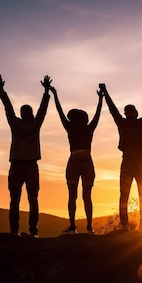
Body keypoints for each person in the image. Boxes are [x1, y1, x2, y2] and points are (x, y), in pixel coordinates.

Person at [0, 73, 51, 237]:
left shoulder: (15, 123)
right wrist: (46, 92)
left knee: (15, 200)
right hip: (30, 165)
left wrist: (1, 89)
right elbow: (43, 110)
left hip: (17, 165)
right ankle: (33, 231)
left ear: (21, 113)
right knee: (33, 199)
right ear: (31, 113)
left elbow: (8, 108)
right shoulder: (35, 123)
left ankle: (14, 231)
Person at [98, 82, 142, 230]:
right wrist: (105, 92)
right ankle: (126, 224)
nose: (130, 113)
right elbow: (113, 109)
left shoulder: (136, 122)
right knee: (126, 194)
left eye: (131, 111)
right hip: (130, 160)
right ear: (127, 114)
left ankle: (141, 224)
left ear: (135, 113)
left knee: (140, 193)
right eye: (128, 111)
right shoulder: (125, 122)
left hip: (138, 161)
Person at [50, 84, 103, 234]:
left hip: (74, 160)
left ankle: (73, 226)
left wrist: (54, 94)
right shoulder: (88, 128)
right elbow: (98, 115)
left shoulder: (70, 127)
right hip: (86, 160)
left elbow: (60, 112)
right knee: (87, 196)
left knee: (72, 195)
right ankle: (89, 227)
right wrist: (101, 99)